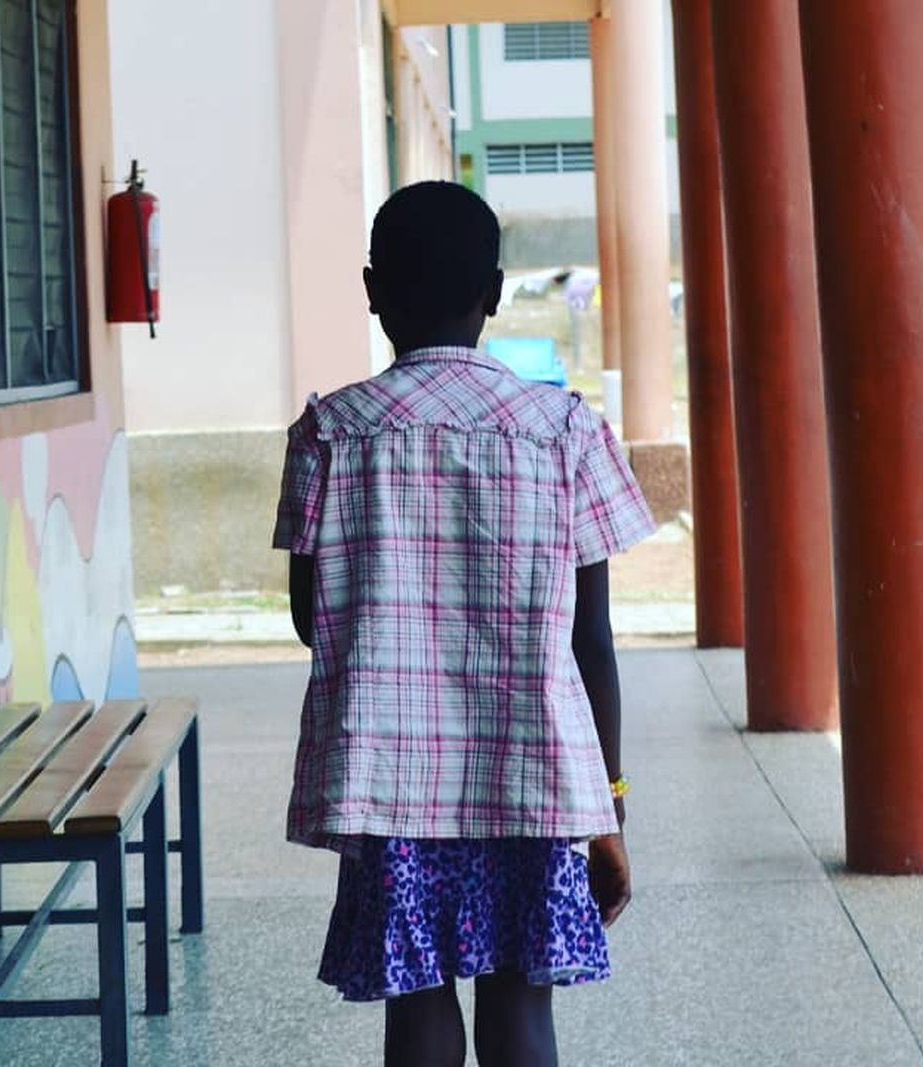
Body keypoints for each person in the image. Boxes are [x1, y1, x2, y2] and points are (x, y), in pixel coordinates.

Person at [271, 181, 656, 1067]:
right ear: (495, 293)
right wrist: (609, 805)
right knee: (522, 1004)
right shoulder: (563, 430)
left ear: (373, 291)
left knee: (417, 1005)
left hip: (392, 785)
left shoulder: (329, 432)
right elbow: (591, 641)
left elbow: (311, 619)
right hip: (532, 778)